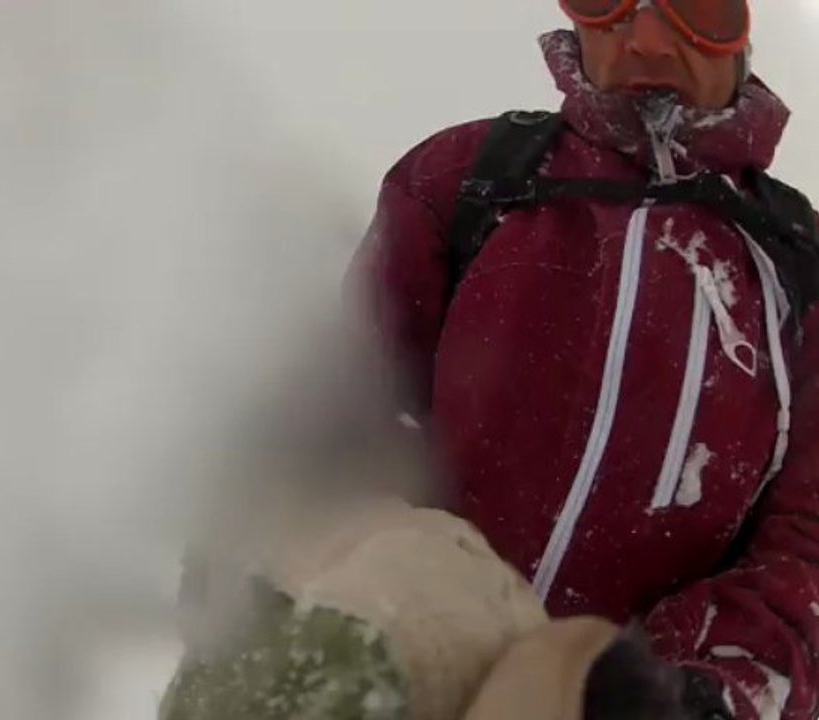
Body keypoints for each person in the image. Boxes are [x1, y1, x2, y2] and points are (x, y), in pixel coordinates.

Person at [347, 2, 819, 719]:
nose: (649, 41)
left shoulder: (798, 274)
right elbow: (337, 425)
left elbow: (805, 548)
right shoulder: (466, 183)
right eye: (607, 1)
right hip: (394, 681)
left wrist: (683, 691)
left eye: (696, 8)